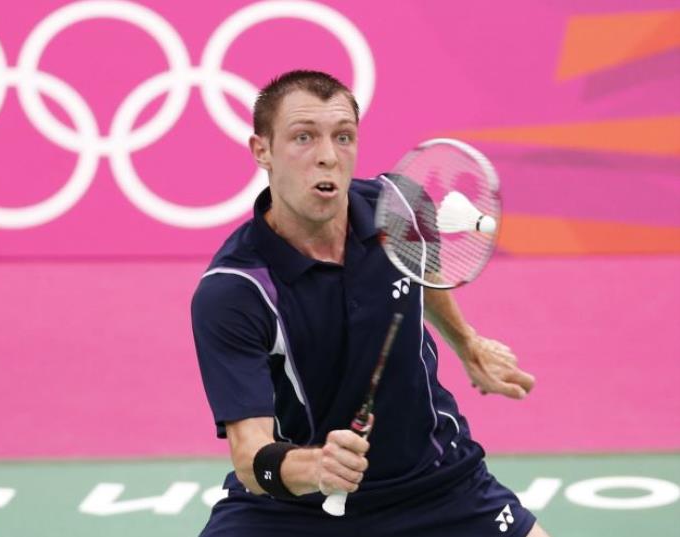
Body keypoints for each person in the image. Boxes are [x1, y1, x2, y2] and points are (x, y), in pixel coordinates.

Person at [191, 70, 550, 537]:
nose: (327, 157)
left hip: (438, 483)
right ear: (262, 151)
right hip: (297, 508)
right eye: (303, 137)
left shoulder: (399, 203)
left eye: (343, 137)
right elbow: (249, 457)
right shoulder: (236, 290)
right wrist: (316, 466)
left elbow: (421, 270)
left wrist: (467, 343)